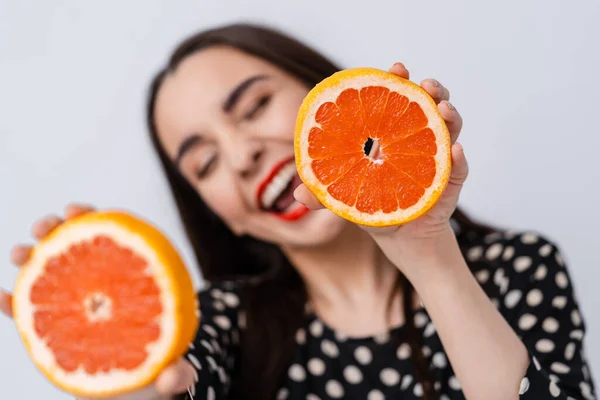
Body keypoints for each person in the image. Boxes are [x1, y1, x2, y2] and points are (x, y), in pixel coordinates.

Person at [1, 23, 596, 400]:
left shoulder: (519, 267)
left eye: (254, 105)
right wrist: (129, 377)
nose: (239, 155)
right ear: (220, 215)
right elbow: (173, 383)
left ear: (324, 92)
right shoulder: (223, 324)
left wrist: (428, 254)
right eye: (204, 164)